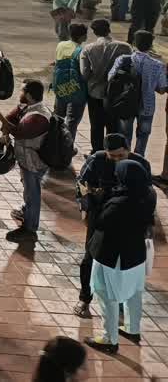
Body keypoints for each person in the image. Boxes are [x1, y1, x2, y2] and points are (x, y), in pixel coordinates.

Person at [75, 134, 151, 318]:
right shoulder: (97, 161)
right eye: (112, 156)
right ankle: (85, 298)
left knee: (124, 263)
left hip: (128, 219)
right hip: (100, 216)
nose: (117, 160)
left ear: (128, 149)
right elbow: (81, 186)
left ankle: (121, 303)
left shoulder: (140, 164)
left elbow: (146, 193)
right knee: (91, 258)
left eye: (120, 156)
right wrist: (85, 209)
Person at [85, 159, 155, 355]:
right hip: (135, 255)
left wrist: (93, 199)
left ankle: (109, 339)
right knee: (134, 292)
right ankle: (133, 329)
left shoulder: (119, 202)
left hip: (112, 255)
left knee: (105, 293)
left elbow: (101, 222)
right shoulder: (148, 195)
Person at [0, 79, 54, 242]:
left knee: (32, 193)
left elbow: (18, 132)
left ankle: (30, 227)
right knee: (28, 188)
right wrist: (5, 127)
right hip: (25, 159)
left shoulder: (39, 117)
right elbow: (10, 120)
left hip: (34, 162)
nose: (19, 94)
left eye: (22, 92)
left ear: (30, 96)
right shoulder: (25, 107)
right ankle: (27, 211)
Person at [107, 30, 167, 155]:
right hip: (147, 106)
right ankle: (139, 158)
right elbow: (162, 89)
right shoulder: (158, 65)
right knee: (143, 135)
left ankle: (125, 159)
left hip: (126, 103)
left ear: (133, 43)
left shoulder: (123, 60)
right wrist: (150, 85)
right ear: (151, 46)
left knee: (125, 134)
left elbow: (110, 78)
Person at [81, 19, 132, 153]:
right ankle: (112, 151)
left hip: (95, 93)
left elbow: (84, 74)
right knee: (113, 125)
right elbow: (130, 70)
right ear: (109, 29)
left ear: (94, 32)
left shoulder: (88, 49)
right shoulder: (125, 47)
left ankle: (97, 152)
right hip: (116, 94)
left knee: (96, 125)